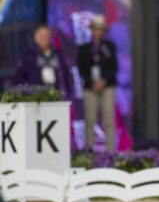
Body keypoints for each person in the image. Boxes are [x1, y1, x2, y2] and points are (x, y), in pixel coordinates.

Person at [76, 16, 118, 153]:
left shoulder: (109, 47)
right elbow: (81, 69)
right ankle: (89, 152)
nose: (97, 32)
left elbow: (114, 67)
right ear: (92, 30)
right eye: (95, 29)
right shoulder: (84, 48)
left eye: (100, 30)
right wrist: (91, 83)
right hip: (90, 87)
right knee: (90, 121)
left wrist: (104, 81)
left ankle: (110, 152)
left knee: (109, 121)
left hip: (107, 86)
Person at [15, 23, 73, 96]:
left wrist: (68, 95)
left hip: (58, 95)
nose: (45, 38)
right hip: (36, 98)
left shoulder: (59, 55)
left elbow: (67, 77)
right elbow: (21, 79)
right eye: (42, 36)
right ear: (35, 38)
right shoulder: (28, 57)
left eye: (47, 36)